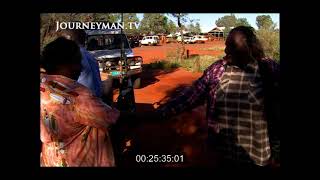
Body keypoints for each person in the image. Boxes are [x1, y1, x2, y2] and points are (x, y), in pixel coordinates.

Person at [157, 26, 280, 168]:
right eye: (226, 45)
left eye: (232, 46)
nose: (226, 50)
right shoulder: (218, 69)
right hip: (221, 156)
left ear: (249, 46)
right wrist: (160, 112)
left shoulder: (268, 68)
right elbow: (190, 96)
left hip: (258, 157)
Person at [40, 37, 120, 167]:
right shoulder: (79, 97)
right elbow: (111, 119)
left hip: (50, 160)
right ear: (62, 63)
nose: (80, 67)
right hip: (80, 161)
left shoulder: (42, 84)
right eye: (76, 62)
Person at [58, 29, 103, 98]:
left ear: (70, 39)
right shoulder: (90, 56)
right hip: (97, 99)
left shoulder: (73, 56)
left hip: (83, 100)